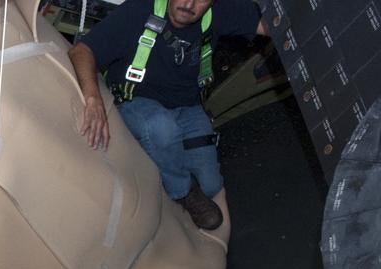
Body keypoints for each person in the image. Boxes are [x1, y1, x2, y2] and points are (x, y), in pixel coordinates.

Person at [68, 0, 266, 230]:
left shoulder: (220, 10)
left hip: (187, 107)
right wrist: (93, 98)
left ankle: (167, 168)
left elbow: (273, 24)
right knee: (161, 128)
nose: (189, 3)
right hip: (138, 100)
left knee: (210, 187)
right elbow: (82, 50)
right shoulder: (138, 10)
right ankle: (183, 190)